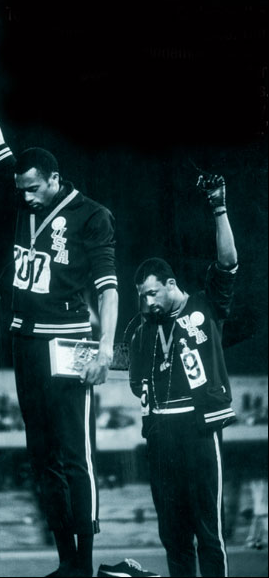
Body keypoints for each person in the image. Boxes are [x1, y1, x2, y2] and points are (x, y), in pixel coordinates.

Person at [0, 44, 119, 578]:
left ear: (53, 179)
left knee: (76, 456)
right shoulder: (23, 186)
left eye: (32, 189)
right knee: (41, 456)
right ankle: (66, 562)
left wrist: (107, 348)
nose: (23, 198)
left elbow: (109, 288)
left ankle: (86, 566)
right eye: (18, 189)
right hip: (25, 339)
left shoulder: (92, 217)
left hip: (72, 341)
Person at [98, 173, 238, 578]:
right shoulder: (141, 329)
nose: (146, 301)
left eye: (152, 293)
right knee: (173, 536)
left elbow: (228, 263)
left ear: (171, 284)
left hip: (198, 429)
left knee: (208, 534)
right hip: (159, 434)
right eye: (141, 295)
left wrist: (219, 207)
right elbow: (115, 359)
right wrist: (75, 359)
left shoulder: (204, 306)